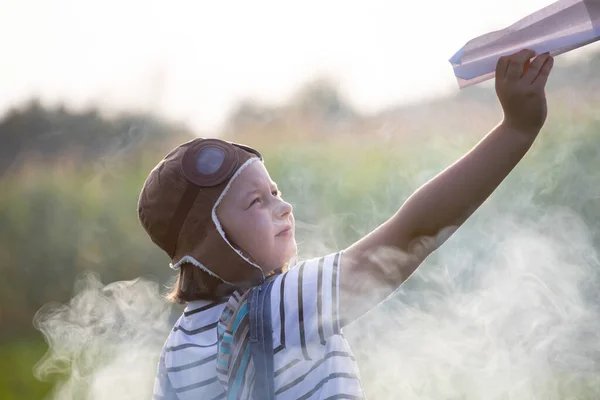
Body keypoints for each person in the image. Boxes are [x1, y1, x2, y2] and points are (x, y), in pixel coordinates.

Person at [138, 49, 554, 399]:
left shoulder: (178, 349)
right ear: (211, 239)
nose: (284, 208)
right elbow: (412, 235)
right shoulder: (285, 305)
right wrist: (516, 129)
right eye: (256, 202)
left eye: (276, 193)